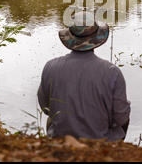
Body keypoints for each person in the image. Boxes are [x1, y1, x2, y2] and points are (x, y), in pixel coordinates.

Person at [37, 11, 131, 141]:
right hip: (101, 143)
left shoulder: (50, 66)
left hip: (61, 141)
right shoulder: (112, 72)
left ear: (71, 37)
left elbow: (46, 108)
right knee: (124, 115)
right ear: (97, 38)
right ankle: (115, 149)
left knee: (50, 120)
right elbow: (121, 117)